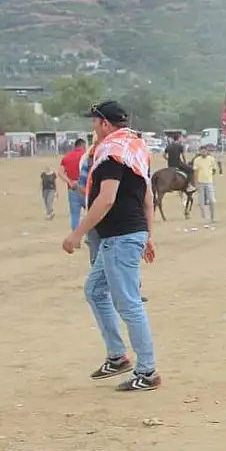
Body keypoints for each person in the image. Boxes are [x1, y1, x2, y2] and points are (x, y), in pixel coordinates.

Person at [62, 100, 161, 392]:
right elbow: (147, 197)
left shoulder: (110, 155)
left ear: (105, 124)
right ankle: (118, 356)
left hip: (120, 236)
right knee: (95, 290)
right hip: (124, 236)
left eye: (95, 122)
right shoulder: (135, 150)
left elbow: (106, 199)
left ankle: (147, 371)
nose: (93, 128)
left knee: (128, 303)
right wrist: (148, 234)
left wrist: (77, 233)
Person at [58, 137, 87, 232]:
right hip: (85, 189)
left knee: (75, 215)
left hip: (72, 189)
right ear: (83, 146)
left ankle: (76, 238)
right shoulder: (86, 156)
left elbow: (60, 173)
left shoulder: (67, 157)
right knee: (92, 213)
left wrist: (70, 181)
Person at [192, 145, 218, 223]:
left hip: (209, 182)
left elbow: (214, 170)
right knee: (201, 202)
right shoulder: (197, 160)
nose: (203, 152)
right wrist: (196, 183)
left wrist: (209, 175)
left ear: (207, 151)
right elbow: (195, 172)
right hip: (200, 183)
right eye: (201, 151)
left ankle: (212, 217)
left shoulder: (211, 159)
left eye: (204, 151)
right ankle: (204, 217)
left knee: (211, 200)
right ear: (199, 152)